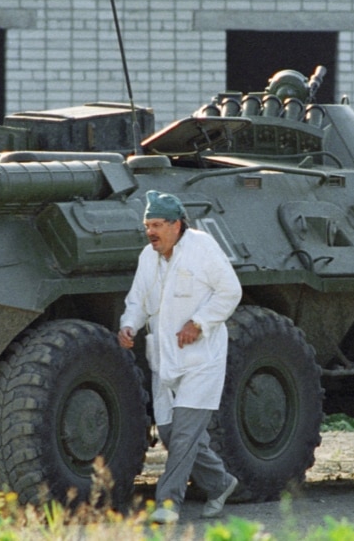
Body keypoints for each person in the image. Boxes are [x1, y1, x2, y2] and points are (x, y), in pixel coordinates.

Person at [118, 190, 242, 524]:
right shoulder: (149, 256)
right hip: (164, 360)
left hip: (202, 359)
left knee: (186, 435)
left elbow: (231, 291)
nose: (151, 232)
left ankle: (168, 503)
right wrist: (129, 326)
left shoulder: (202, 248)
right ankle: (221, 483)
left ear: (177, 224)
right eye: (147, 225)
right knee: (173, 435)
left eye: (157, 224)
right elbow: (138, 300)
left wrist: (198, 323)